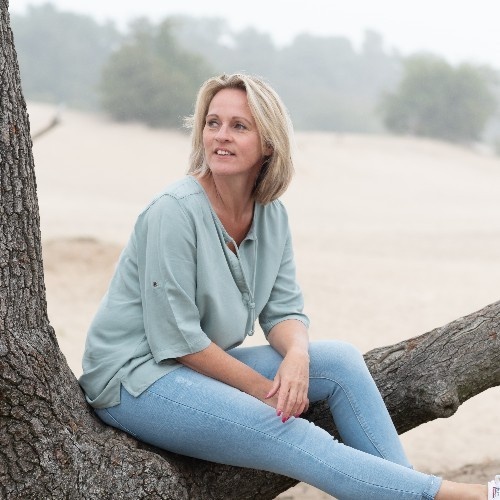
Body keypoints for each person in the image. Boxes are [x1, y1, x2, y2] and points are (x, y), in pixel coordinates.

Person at [79, 73, 494, 500]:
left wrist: (297, 355)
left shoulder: (271, 214)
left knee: (340, 361)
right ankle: (467, 496)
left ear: (268, 143)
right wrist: (264, 391)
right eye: (212, 123)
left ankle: (403, 490)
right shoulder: (174, 212)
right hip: (134, 379)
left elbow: (283, 311)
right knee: (287, 425)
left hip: (191, 365)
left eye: (239, 126)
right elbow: (179, 339)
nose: (221, 136)